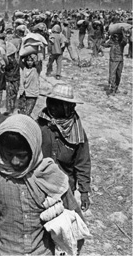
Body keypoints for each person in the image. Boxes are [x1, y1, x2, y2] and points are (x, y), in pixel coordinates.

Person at [0, 114, 87, 255]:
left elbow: (76, 222)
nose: (14, 161)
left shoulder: (50, 175)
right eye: (8, 154)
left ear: (34, 149)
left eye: (22, 155)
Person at [37, 83, 92, 212]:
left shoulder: (77, 132)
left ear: (67, 107)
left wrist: (84, 192)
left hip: (65, 188)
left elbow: (82, 162)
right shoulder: (40, 125)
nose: (52, 106)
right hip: (41, 183)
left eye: (57, 103)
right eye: (51, 102)